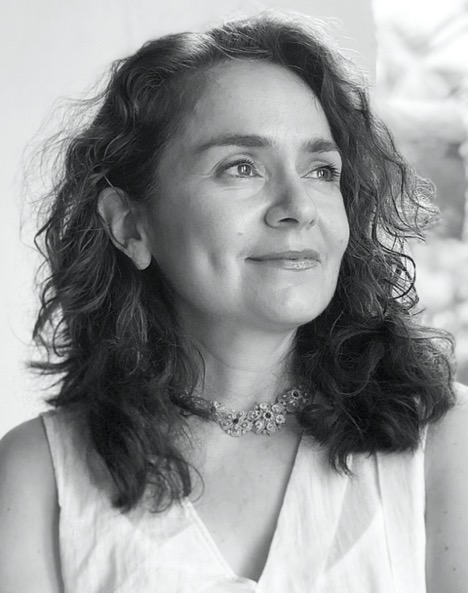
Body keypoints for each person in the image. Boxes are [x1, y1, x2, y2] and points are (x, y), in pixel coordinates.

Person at [0, 9, 467, 593]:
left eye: (322, 170)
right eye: (241, 167)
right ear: (130, 226)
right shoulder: (38, 481)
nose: (298, 206)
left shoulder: (446, 441)